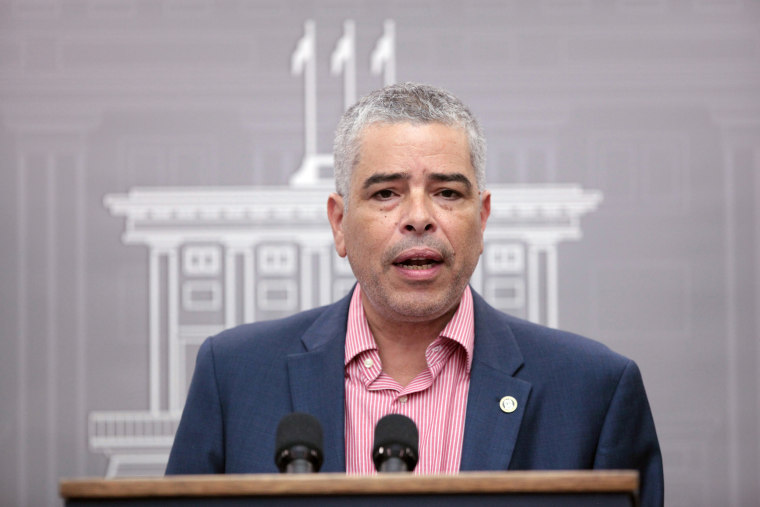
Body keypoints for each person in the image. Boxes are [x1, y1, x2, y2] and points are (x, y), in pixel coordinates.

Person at [166, 82, 663, 505]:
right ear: (339, 224)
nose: (419, 217)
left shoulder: (594, 392)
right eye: (386, 193)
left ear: (482, 219)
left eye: (447, 192)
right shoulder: (234, 376)